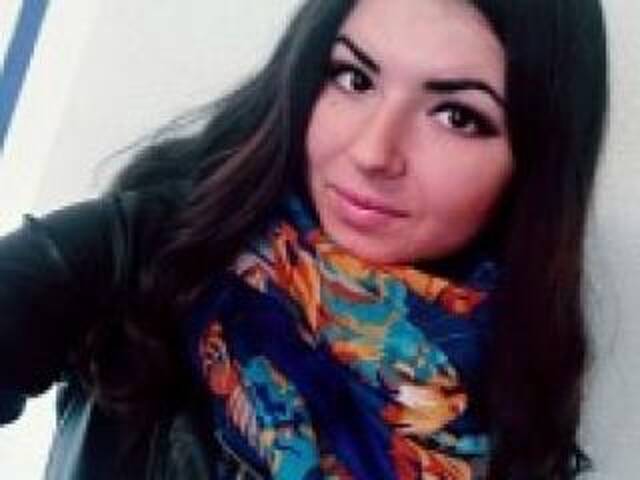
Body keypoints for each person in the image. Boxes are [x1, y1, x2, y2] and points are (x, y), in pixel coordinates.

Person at [0, 0, 608, 478]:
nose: (373, 152)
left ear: (534, 162)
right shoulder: (144, 256)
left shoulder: (514, 399)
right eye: (354, 78)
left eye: (456, 116)